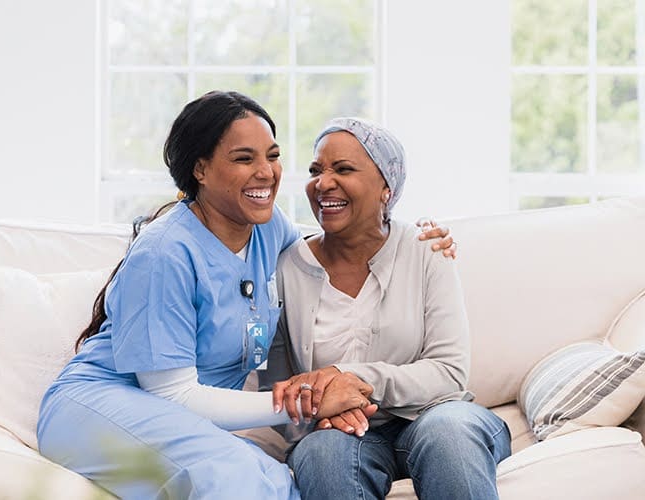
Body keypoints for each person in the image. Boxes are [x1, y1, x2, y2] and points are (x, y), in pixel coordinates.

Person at [36, 91, 454, 499]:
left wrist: (412, 239)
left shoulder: (269, 230)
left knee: (281, 484)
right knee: (233, 477)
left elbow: (338, 243)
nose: (265, 172)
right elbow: (171, 394)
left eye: (272, 156)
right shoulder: (164, 252)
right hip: (99, 409)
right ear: (200, 170)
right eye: (243, 158)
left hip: (186, 420)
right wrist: (309, 404)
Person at [260, 117, 512, 500]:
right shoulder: (286, 268)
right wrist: (321, 414)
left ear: (386, 188)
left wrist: (351, 379)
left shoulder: (427, 251)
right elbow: (278, 384)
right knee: (322, 453)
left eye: (343, 169)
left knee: (449, 435)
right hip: (338, 431)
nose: (323, 183)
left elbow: (449, 372)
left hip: (435, 414)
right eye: (316, 171)